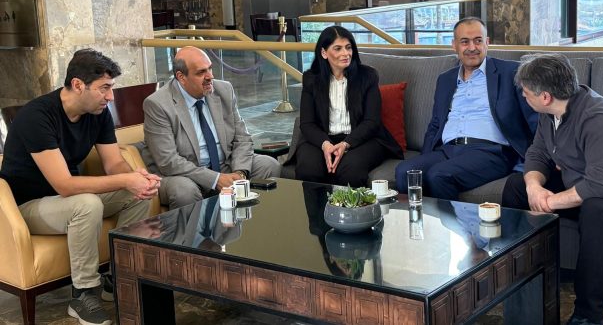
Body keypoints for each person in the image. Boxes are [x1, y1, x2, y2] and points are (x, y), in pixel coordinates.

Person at [0, 49, 160, 325]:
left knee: (138, 194)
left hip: (68, 199)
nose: (110, 97)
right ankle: (83, 294)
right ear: (77, 85)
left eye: (111, 87)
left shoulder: (97, 112)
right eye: (104, 88)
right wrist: (125, 180)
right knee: (86, 204)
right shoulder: (36, 117)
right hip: (25, 207)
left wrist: (136, 178)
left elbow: (114, 163)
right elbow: (64, 185)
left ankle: (120, 276)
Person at [502, 54, 603, 325]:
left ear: (545, 96)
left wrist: (550, 202)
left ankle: (588, 316)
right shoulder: (550, 112)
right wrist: (534, 188)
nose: (523, 95)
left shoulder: (598, 116)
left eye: (526, 92)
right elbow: (538, 154)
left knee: (597, 209)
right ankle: (521, 282)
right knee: (517, 186)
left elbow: (602, 184)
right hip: (582, 183)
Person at [394, 17, 537, 199]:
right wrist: (425, 159)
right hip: (448, 150)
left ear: (487, 43)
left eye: (478, 41)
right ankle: (418, 218)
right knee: (405, 171)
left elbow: (535, 118)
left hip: (490, 152)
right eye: (464, 42)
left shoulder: (511, 72)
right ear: (454, 45)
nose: (472, 47)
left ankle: (450, 220)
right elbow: (435, 124)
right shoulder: (445, 79)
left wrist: (540, 160)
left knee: (439, 175)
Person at [137, 46, 281, 210]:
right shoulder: (158, 104)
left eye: (210, 68)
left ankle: (253, 222)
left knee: (269, 165)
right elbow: (168, 161)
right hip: (183, 174)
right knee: (184, 191)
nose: (210, 76)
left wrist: (239, 173)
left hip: (224, 165)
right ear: (181, 77)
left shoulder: (224, 90)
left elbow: (242, 138)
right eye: (201, 72)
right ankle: (199, 228)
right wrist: (215, 179)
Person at [290, 26, 403, 187]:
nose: (346, 53)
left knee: (350, 171)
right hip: (323, 138)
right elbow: (307, 123)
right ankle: (317, 205)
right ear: (324, 53)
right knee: (309, 169)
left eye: (348, 47)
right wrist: (326, 145)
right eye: (338, 48)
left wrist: (345, 144)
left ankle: (349, 206)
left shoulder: (367, 76)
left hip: (361, 139)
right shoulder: (311, 79)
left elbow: (372, 121)